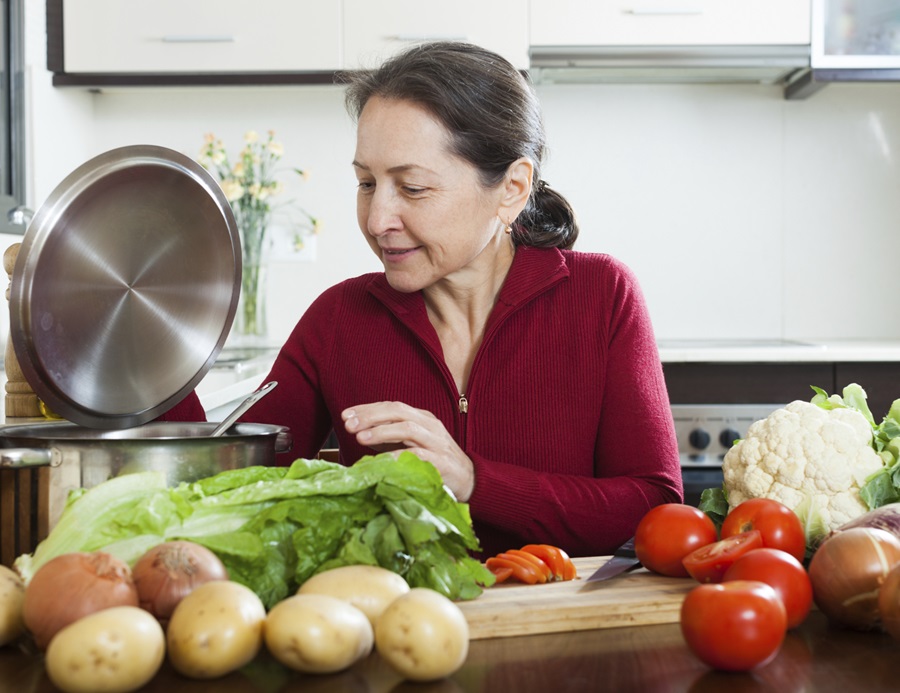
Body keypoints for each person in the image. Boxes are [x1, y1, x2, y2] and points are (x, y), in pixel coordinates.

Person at [167, 41, 682, 559]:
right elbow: (233, 494)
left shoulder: (602, 296)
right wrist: (158, 359)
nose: (376, 220)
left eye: (412, 188)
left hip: (558, 629)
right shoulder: (338, 319)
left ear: (512, 188)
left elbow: (654, 506)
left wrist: (472, 480)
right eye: (366, 183)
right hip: (395, 629)